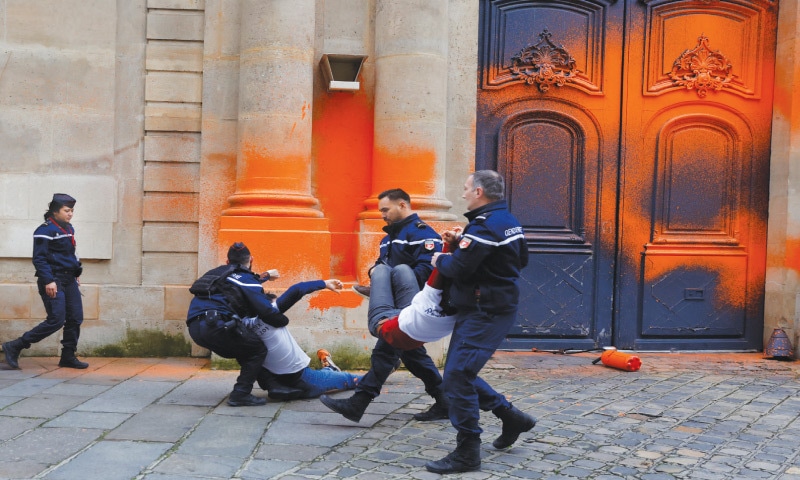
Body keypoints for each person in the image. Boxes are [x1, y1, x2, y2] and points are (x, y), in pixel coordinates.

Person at [425, 170, 537, 474]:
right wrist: (462, 243)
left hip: (484, 310)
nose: (463, 193)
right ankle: (511, 417)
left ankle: (467, 452)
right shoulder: (507, 221)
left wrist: (439, 259)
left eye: (466, 188)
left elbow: (458, 269)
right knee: (459, 372)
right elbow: (519, 260)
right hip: (487, 306)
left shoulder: (485, 225)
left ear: (479, 192)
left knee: (457, 375)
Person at [321, 188, 449, 422]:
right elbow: (381, 265)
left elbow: (427, 271)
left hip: (411, 304)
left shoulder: (424, 234)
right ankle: (445, 402)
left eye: (385, 210)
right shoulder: (387, 239)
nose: (382, 215)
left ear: (402, 205)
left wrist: (392, 282)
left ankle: (359, 402)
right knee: (412, 355)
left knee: (386, 350)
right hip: (391, 306)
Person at [186, 242, 287, 407]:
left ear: (227, 262)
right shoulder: (247, 280)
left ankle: (273, 386)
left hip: (195, 327)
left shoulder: (215, 273)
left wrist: (266, 276)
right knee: (257, 349)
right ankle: (240, 394)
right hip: (217, 326)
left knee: (245, 346)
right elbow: (266, 311)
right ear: (251, 259)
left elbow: (237, 283)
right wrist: (283, 322)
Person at [3, 193, 89, 370]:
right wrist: (49, 280)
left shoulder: (69, 228)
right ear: (55, 211)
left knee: (75, 318)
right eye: (67, 210)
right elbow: (39, 259)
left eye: (72, 211)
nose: (70, 214)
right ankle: (15, 345)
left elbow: (71, 253)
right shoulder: (44, 231)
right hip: (53, 279)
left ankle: (68, 356)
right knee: (56, 319)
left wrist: (76, 271)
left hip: (69, 279)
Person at [249, 278, 362, 400]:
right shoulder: (270, 313)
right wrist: (324, 283)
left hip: (276, 382)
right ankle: (331, 369)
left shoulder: (243, 325)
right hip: (304, 379)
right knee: (351, 379)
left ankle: (329, 369)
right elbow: (296, 290)